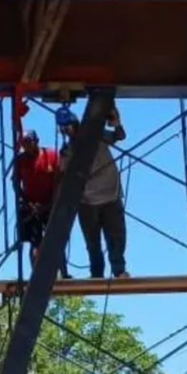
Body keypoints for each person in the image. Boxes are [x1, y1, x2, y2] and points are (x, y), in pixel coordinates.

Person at [58, 106, 130, 279]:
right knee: (92, 242)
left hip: (110, 194)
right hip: (87, 201)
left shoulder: (96, 135)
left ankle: (119, 270)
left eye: (69, 125)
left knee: (116, 236)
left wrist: (116, 123)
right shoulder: (67, 151)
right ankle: (97, 273)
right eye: (63, 127)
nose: (67, 130)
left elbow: (119, 136)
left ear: (75, 122)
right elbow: (64, 177)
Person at [15, 129, 71, 279]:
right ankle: (37, 277)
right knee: (35, 242)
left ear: (36, 141)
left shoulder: (51, 156)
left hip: (51, 202)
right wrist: (27, 204)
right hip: (31, 206)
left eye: (28, 142)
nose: (25, 146)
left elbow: (58, 182)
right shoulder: (21, 160)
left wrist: (51, 204)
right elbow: (15, 183)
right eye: (23, 144)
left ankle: (63, 273)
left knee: (56, 239)